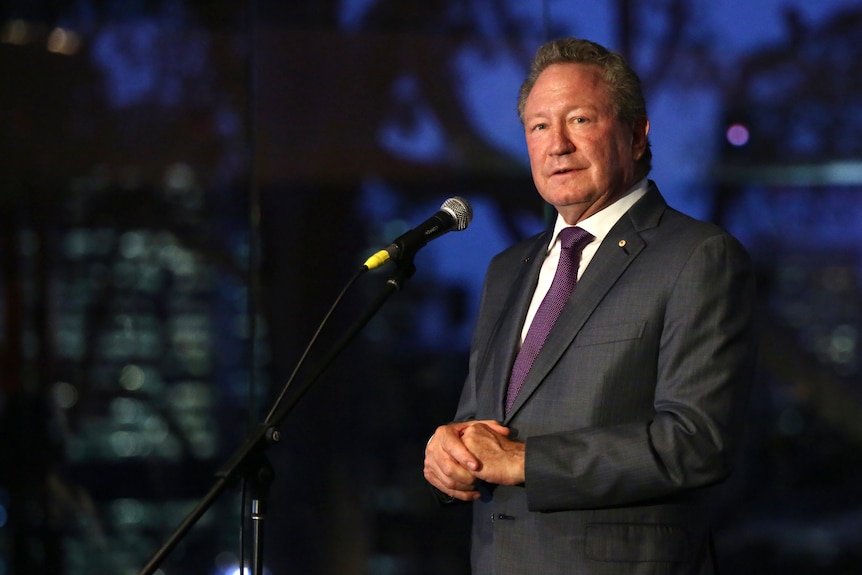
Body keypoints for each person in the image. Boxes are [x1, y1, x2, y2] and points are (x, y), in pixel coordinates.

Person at [423, 37, 758, 575]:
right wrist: (449, 458)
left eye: (578, 120)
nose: (556, 145)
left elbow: (697, 442)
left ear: (636, 133)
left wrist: (526, 462)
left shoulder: (698, 256)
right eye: (538, 127)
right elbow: (481, 426)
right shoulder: (507, 269)